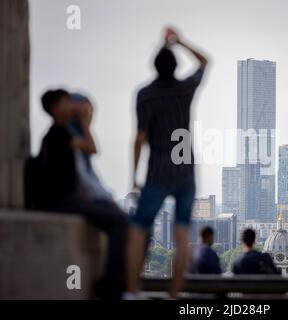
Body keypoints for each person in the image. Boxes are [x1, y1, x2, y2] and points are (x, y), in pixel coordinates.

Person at [125, 27, 209, 299]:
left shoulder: (145, 95)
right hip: (184, 168)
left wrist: (133, 176)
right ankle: (175, 295)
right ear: (175, 66)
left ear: (154, 66)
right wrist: (180, 41)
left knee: (139, 230)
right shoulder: (185, 90)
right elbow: (205, 61)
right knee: (182, 235)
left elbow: (139, 138)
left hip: (158, 170)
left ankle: (133, 291)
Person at [38, 89, 127, 299]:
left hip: (69, 199)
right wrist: (85, 123)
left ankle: (113, 283)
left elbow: (91, 149)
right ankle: (111, 286)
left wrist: (84, 121)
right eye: (66, 102)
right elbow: (91, 147)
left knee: (121, 220)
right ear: (55, 108)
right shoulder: (57, 135)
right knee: (119, 222)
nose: (71, 106)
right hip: (63, 201)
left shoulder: (64, 134)